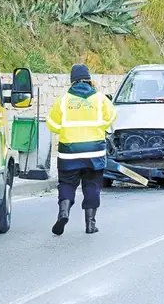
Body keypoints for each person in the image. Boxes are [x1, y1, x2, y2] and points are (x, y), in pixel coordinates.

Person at [47, 64, 117, 236]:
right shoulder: (100, 99)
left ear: (72, 81)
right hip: (94, 151)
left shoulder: (63, 100)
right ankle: (90, 224)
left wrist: (67, 130)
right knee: (92, 185)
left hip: (69, 151)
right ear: (89, 79)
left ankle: (63, 213)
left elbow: (53, 124)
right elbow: (112, 117)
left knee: (67, 183)